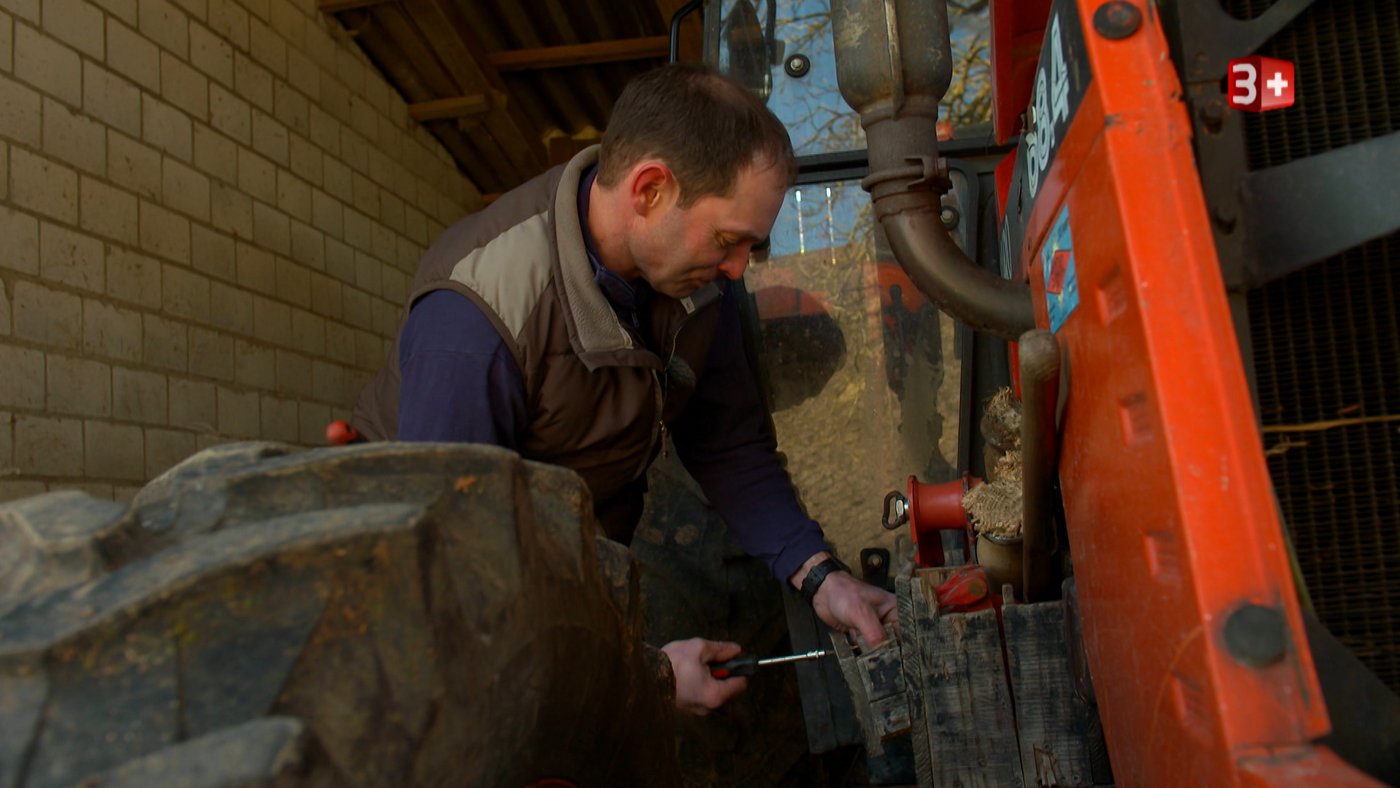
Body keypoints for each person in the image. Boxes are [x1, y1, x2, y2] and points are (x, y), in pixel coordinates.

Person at [352, 63, 896, 715]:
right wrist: (646, 680)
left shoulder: (696, 285)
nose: (734, 269)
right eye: (728, 241)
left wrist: (821, 576)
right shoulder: (476, 320)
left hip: (571, 563)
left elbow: (728, 446)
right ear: (650, 190)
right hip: (429, 615)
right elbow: (456, 583)